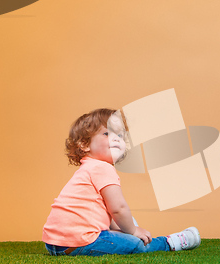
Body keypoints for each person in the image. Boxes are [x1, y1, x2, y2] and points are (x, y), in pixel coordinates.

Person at [43, 108, 201, 256]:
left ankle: (126, 230)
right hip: (82, 241)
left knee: (120, 230)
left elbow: (105, 213)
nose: (116, 139)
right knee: (135, 244)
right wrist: (133, 231)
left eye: (119, 136)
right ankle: (169, 243)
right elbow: (118, 208)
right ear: (84, 145)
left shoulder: (87, 169)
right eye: (106, 134)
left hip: (55, 244)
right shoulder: (102, 168)